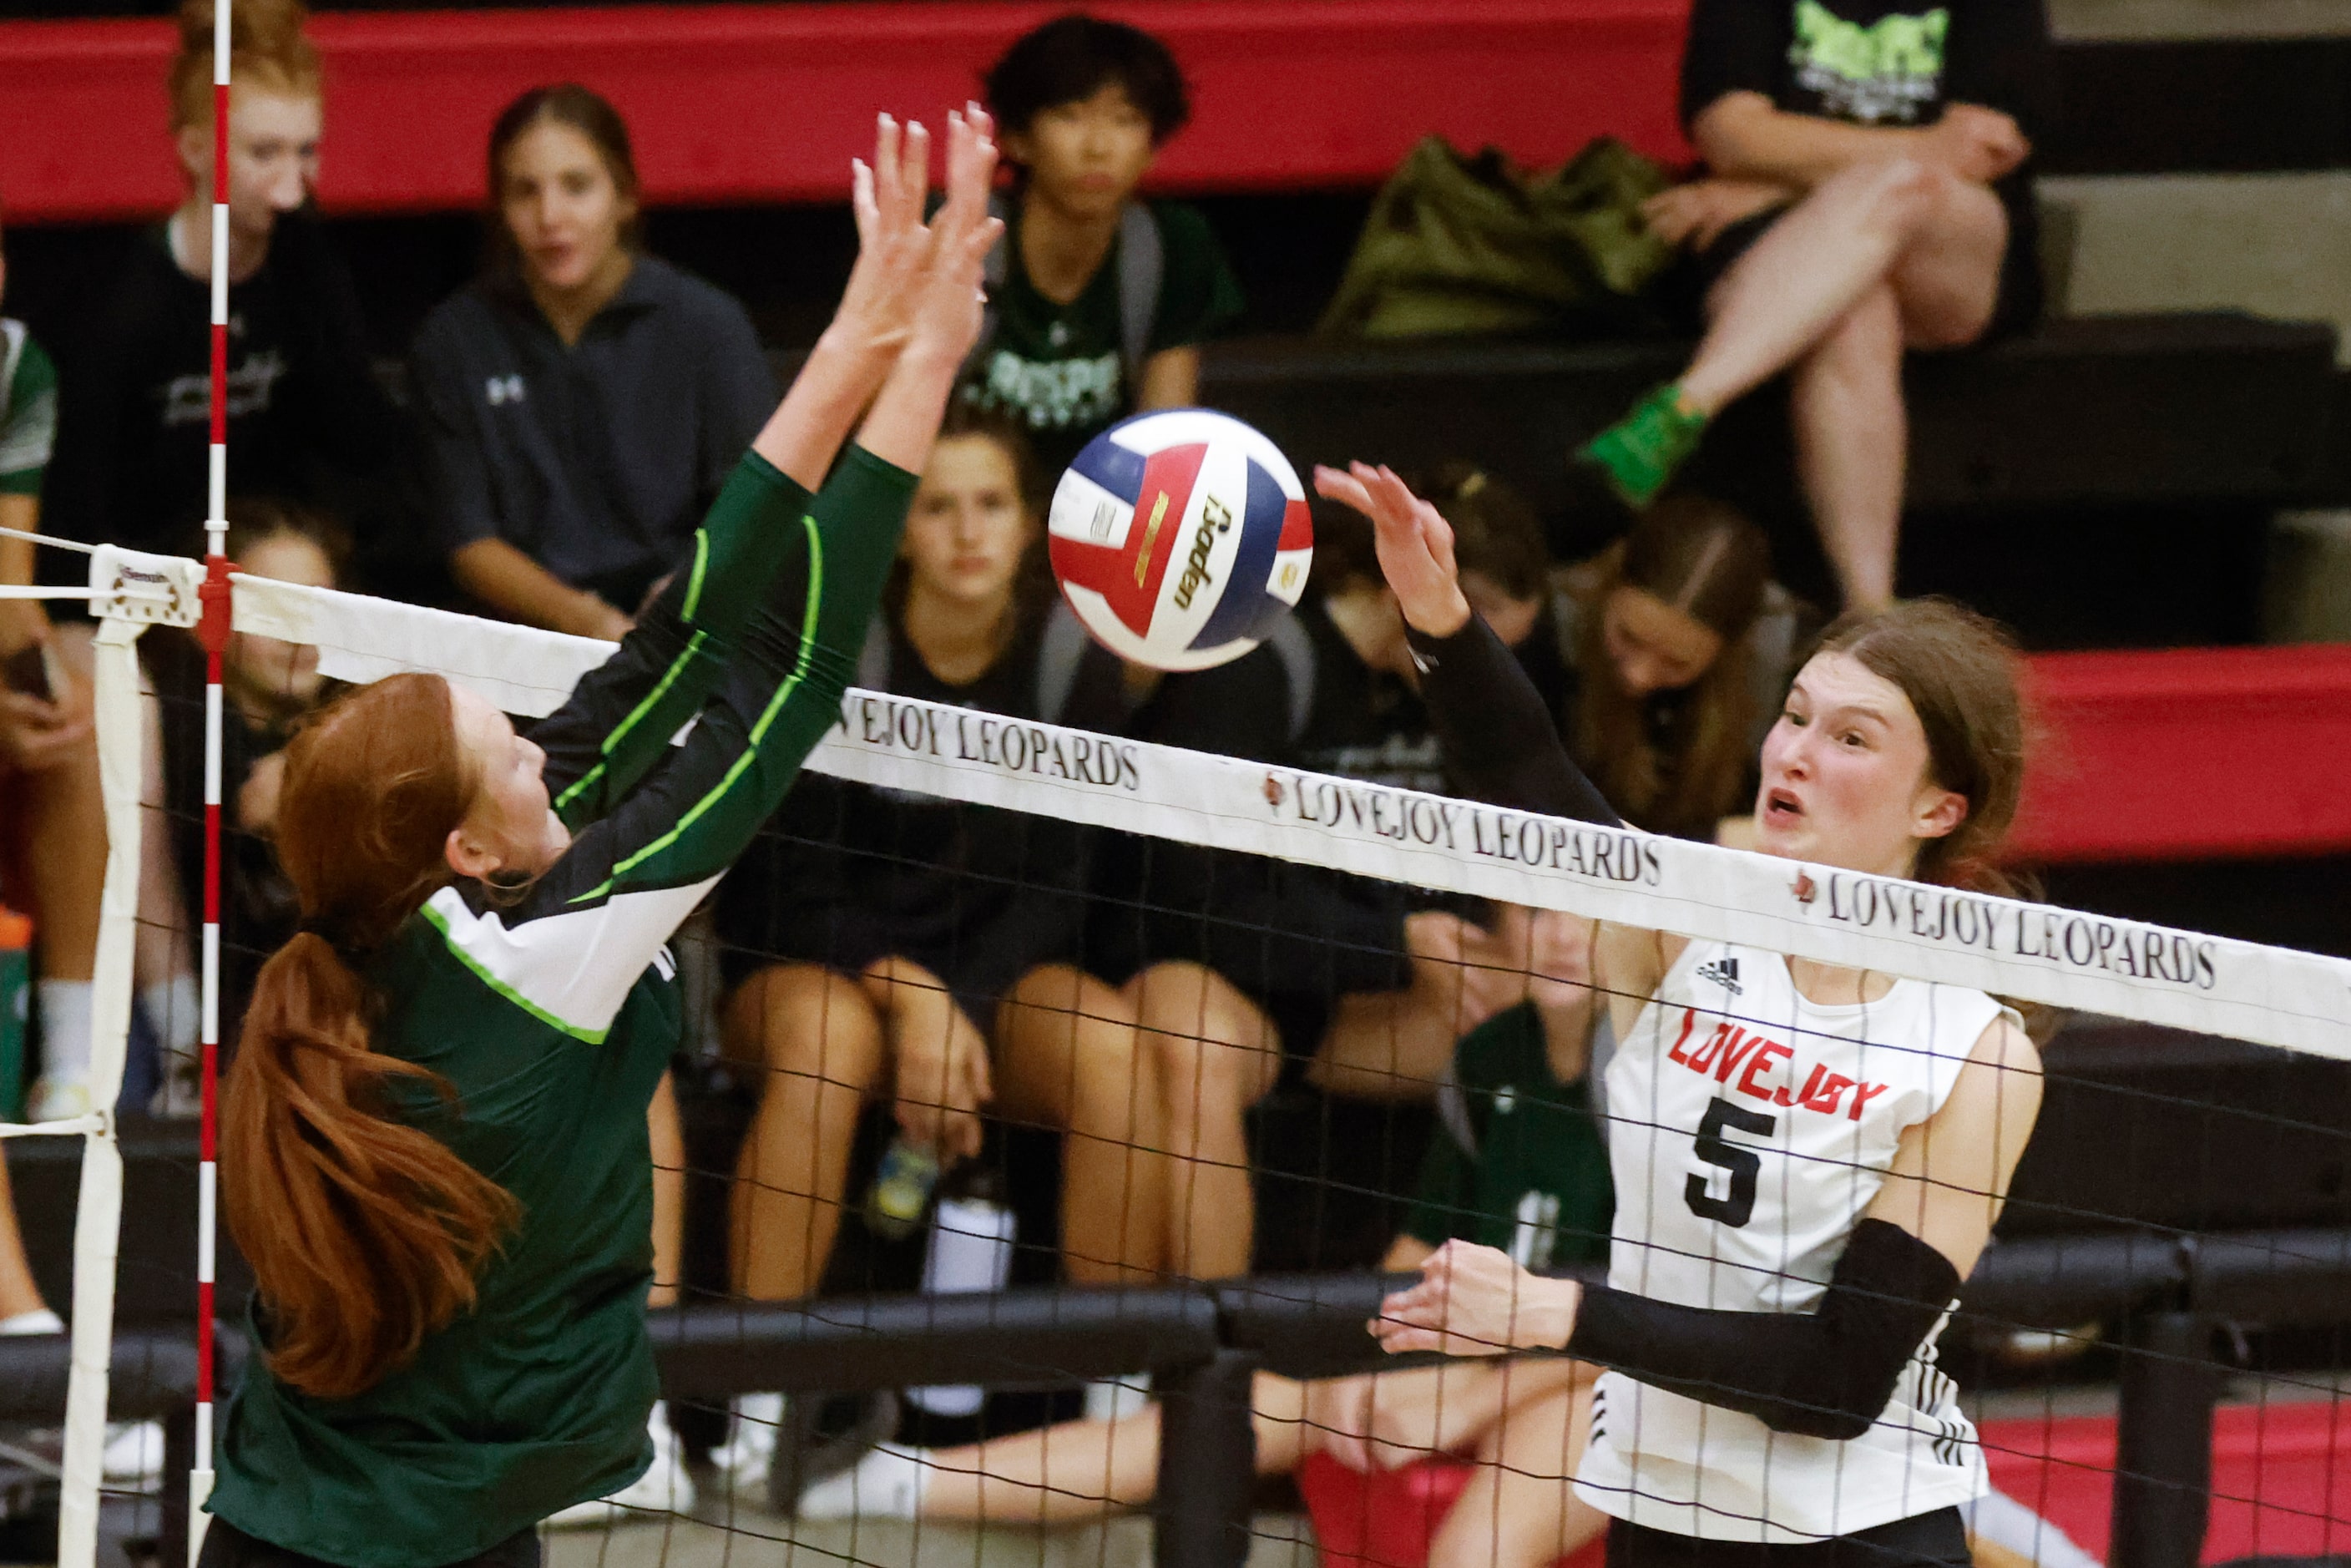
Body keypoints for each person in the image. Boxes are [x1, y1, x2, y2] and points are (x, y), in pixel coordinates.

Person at [203, 110, 1004, 1563]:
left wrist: (867, 337)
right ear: (462, 840)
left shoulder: (399, 913)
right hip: (402, 1522)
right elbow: (785, 674)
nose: (535, 732)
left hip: (384, 1498)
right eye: (507, 738)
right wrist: (925, 359)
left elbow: (684, 629)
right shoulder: (541, 960)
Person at [1324, 463, 2044, 1560]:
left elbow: (1837, 1379)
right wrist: (1440, 615)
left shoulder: (1976, 1052)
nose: (1796, 751)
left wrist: (1563, 1314)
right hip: (1658, 1512)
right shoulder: (1683, 926)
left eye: (1852, 738)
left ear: (1938, 806)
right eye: (1795, 714)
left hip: (1856, 1530)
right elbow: (1530, 780)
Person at [791, 979, 1614, 1568]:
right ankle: (890, 1479)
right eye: (1533, 909)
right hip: (1478, 1356)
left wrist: (1466, 1401)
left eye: (1577, 917)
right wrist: (1359, 1371)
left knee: (1547, 1444)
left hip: (1593, 1376)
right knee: (1246, 1404)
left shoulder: (1642, 1077)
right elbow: (1413, 1256)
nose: (1551, 933)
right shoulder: (1492, 1054)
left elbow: (1653, 1327)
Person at [1576, 0, 2054, 610]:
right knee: (1853, 310)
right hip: (1790, 242)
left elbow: (1979, 151)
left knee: (1907, 187)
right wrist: (1919, 145)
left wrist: (1776, 176)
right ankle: (1870, 611)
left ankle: (1690, 400)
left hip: (1952, 242)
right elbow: (1729, 132)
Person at [47, 0, 409, 569]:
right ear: (196, 151)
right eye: (264, 153)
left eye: (306, 151)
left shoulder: (307, 272)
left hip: (284, 568)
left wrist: (308, 270)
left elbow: (363, 445)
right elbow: (81, 497)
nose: (292, 183)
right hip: (149, 580)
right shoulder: (121, 302)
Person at [412, 83, 777, 640]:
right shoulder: (454, 340)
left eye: (577, 187)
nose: (550, 215)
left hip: (687, 626)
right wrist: (585, 621)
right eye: (525, 191)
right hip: (519, 639)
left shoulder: (708, 326)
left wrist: (683, 593)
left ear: (625, 196)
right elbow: (470, 542)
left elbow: (753, 513)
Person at [134, 501, 351, 1117]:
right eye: (272, 610)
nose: (299, 634)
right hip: (183, 1036)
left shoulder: (362, 727)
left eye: (318, 606)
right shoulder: (172, 724)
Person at [964, 14, 1245, 474]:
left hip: (1103, 511)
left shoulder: (1175, 243)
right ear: (1017, 138)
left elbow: (1164, 437)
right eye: (1068, 116)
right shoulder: (957, 234)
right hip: (964, 509)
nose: (1097, 146)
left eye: (1125, 120)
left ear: (1153, 143)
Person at [0, 210, 108, 1123]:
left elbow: (9, 583)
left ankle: (67, 1077)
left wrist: (43, 689)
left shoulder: (15, 368)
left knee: (77, 722)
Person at [1546, 492, 1817, 843]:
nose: (1638, 675)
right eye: (1628, 636)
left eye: (1676, 663)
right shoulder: (1549, 627)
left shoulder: (1785, 675)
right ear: (1610, 586)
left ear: (1728, 652)